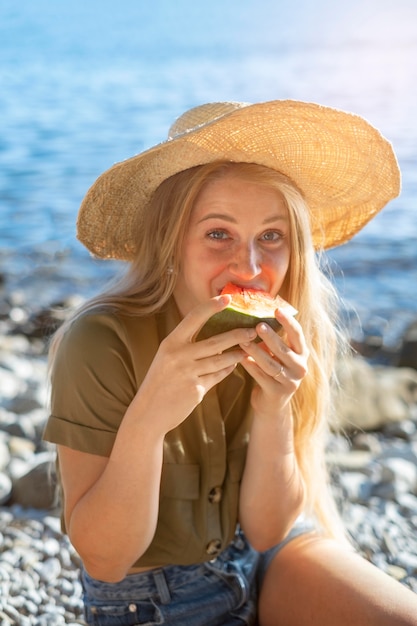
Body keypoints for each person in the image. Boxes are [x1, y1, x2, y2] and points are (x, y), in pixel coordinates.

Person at [43, 100, 417, 625]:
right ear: (172, 242)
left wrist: (274, 408)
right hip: (151, 600)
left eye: (272, 236)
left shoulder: (287, 331)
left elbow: (267, 530)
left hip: (268, 556)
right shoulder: (100, 341)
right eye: (219, 234)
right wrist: (149, 419)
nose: (251, 266)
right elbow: (106, 559)